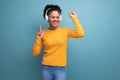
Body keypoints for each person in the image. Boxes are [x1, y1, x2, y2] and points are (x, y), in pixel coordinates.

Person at [32, 4, 84, 80]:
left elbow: (81, 34)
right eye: (52, 17)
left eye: (57, 17)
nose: (55, 19)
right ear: (47, 18)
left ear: (60, 18)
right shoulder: (43, 33)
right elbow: (35, 52)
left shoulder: (65, 31)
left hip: (60, 69)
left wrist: (74, 18)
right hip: (46, 68)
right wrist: (38, 38)